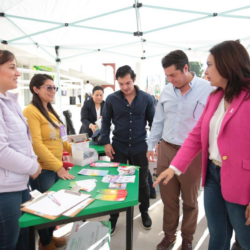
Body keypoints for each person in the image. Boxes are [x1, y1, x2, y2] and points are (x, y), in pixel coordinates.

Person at [154, 41, 250, 250]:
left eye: (209, 64)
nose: (205, 71)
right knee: (217, 235)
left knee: (245, 238)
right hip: (214, 176)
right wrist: (174, 167)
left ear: (228, 65)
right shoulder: (216, 97)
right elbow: (197, 135)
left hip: (242, 181)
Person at [147, 50, 214, 250]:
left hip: (192, 153)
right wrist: (151, 145)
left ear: (186, 68)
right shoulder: (167, 91)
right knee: (168, 198)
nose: (170, 80)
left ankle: (187, 238)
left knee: (190, 200)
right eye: (167, 76)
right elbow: (158, 121)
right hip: (166, 149)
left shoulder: (208, 89)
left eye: (173, 75)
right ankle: (169, 236)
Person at [100, 65, 155, 235]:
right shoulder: (111, 99)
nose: (125, 87)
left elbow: (153, 123)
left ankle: (144, 211)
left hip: (140, 146)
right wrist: (106, 143)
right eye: (121, 83)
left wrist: (153, 145)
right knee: (116, 181)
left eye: (128, 83)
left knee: (143, 182)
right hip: (119, 146)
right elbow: (106, 122)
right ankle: (114, 217)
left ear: (134, 79)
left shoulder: (147, 98)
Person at [23, 74, 75, 250]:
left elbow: (63, 139)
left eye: (54, 87)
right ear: (35, 89)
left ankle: (50, 237)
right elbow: (36, 145)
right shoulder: (30, 111)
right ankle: (44, 243)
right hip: (43, 169)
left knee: (56, 204)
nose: (53, 91)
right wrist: (58, 167)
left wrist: (79, 151)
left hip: (55, 168)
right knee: (45, 208)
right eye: (48, 87)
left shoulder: (52, 111)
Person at [0, 50, 41, 250]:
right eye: (12, 67)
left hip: (19, 184)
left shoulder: (10, 101)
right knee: (8, 242)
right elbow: (1, 151)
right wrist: (32, 166)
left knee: (23, 239)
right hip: (4, 190)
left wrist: (31, 163)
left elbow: (25, 141)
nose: (18, 73)